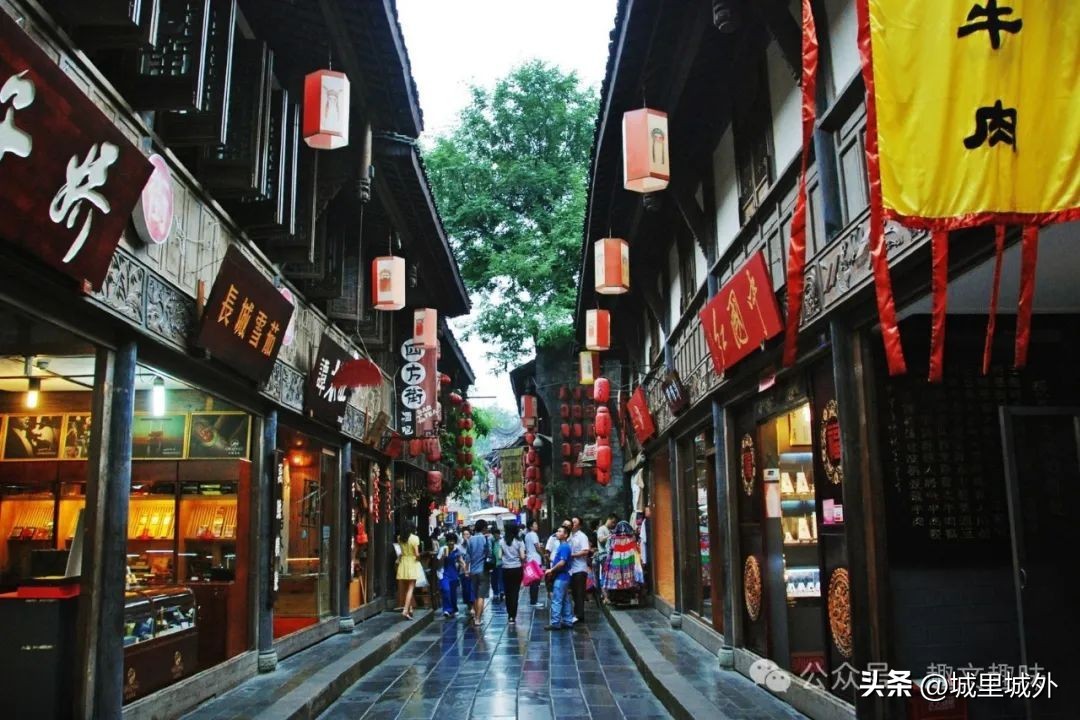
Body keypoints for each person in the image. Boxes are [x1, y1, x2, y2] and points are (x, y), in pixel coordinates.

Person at [544, 526, 575, 630]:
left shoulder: (564, 547)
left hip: (561, 577)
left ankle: (555, 622)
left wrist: (551, 570)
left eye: (559, 531)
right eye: (557, 531)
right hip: (563, 577)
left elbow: (562, 562)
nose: (557, 533)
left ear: (565, 535)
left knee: (556, 599)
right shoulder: (562, 546)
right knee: (565, 599)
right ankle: (568, 620)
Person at [464, 519, 491, 626]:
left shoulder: (470, 539)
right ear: (484, 528)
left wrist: (466, 570)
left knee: (475, 595)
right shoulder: (486, 539)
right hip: (483, 570)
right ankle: (478, 619)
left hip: (473, 571)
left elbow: (467, 557)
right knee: (481, 596)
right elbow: (489, 554)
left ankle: (475, 616)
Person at [500, 524, 526, 624]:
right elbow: (522, 556)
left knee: (507, 592)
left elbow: (499, 556)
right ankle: (513, 616)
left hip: (505, 568)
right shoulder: (519, 541)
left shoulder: (502, 541)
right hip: (517, 568)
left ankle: (509, 614)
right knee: (515, 592)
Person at [435, 533, 466, 618]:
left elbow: (460, 560)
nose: (451, 543)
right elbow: (438, 563)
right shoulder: (443, 549)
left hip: (453, 573)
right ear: (447, 542)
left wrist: (465, 569)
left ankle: (454, 609)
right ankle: (447, 609)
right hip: (443, 573)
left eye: (452, 541)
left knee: (453, 593)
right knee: (446, 590)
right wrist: (443, 557)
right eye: (449, 541)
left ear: (455, 542)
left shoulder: (457, 550)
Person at [396, 522, 422, 620]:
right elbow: (417, 554)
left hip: (403, 562)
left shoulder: (399, 538)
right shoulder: (415, 538)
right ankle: (405, 610)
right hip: (412, 562)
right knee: (411, 588)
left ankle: (410, 609)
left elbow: (401, 552)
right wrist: (419, 558)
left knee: (406, 588)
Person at [569, 517, 590, 626]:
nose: (572, 523)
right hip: (571, 569)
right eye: (572, 522)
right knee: (574, 592)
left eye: (575, 522)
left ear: (580, 525)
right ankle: (576, 613)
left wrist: (573, 555)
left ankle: (579, 615)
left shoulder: (582, 536)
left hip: (580, 568)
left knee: (579, 592)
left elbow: (586, 551)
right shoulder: (569, 536)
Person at [596, 514, 617, 603]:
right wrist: (610, 536)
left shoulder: (609, 530)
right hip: (604, 555)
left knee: (609, 575)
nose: (613, 524)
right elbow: (600, 539)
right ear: (609, 519)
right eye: (613, 522)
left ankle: (609, 596)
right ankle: (605, 597)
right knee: (605, 575)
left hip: (609, 555)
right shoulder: (602, 529)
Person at [524, 520, 545, 608]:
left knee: (533, 581)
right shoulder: (533, 534)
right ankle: (534, 601)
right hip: (535, 560)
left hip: (530, 559)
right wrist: (543, 555)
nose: (537, 525)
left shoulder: (527, 535)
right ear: (531, 527)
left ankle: (533, 600)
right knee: (536, 582)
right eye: (535, 524)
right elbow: (537, 547)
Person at [460, 528, 474, 610]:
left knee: (471, 589)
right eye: (464, 534)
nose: (466, 536)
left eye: (467, 534)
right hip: (463, 571)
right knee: (465, 589)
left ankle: (472, 606)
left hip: (472, 570)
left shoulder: (473, 545)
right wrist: (464, 569)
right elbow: (459, 559)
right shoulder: (459, 547)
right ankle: (469, 604)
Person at [490, 527, 504, 602]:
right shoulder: (491, 541)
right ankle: (495, 592)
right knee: (493, 579)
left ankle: (501, 591)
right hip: (493, 564)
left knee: (501, 578)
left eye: (497, 534)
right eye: (495, 535)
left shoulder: (502, 541)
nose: (496, 536)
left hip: (501, 563)